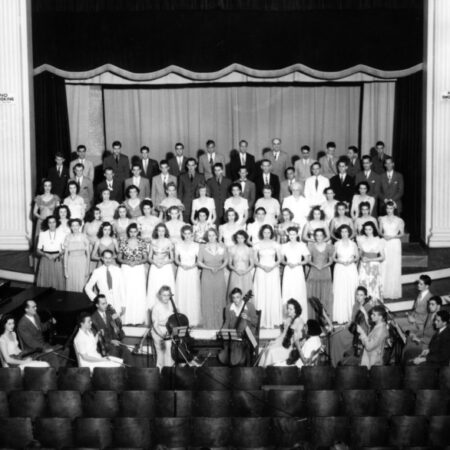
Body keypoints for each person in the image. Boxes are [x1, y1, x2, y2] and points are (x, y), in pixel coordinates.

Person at [330, 286, 378, 367]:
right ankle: (336, 362)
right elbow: (353, 320)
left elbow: (370, 324)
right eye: (357, 295)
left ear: (365, 296)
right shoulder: (355, 305)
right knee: (335, 334)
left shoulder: (369, 307)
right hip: (353, 329)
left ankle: (338, 364)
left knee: (337, 338)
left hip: (361, 332)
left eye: (361, 295)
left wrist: (365, 312)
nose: (358, 297)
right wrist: (344, 326)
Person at [17, 300, 69, 369]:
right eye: (33, 307)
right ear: (26, 309)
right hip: (33, 350)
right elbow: (31, 342)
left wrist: (49, 322)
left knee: (65, 350)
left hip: (43, 345)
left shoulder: (36, 316)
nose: (36, 308)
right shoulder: (22, 324)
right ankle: (55, 374)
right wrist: (45, 349)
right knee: (52, 356)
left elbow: (41, 328)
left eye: (36, 306)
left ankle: (58, 371)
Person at [218, 287, 258, 366]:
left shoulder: (250, 306)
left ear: (241, 296)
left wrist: (248, 318)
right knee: (228, 342)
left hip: (248, 334)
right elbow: (227, 322)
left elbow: (256, 322)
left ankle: (247, 359)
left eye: (238, 297)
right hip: (234, 333)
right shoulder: (228, 307)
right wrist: (223, 331)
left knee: (248, 342)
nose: (236, 300)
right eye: (233, 298)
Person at [258, 299, 305, 366]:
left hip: (292, 348)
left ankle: (267, 371)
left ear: (296, 310)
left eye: (290, 309)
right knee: (266, 349)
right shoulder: (289, 320)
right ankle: (262, 371)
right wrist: (274, 342)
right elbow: (283, 335)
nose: (288, 310)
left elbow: (296, 339)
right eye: (288, 308)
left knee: (271, 351)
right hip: (285, 344)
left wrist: (278, 344)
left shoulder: (298, 321)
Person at [117, 223, 148, 325]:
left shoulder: (142, 242)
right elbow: (119, 258)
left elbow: (145, 257)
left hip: (138, 269)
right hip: (126, 269)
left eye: (135, 231)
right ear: (128, 232)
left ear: (138, 232)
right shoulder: (123, 242)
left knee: (137, 292)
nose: (133, 233)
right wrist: (127, 262)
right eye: (131, 231)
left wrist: (137, 262)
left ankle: (138, 319)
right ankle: (126, 318)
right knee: (126, 291)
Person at [198, 228, 228, 328]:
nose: (211, 237)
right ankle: (208, 323)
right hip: (207, 273)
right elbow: (199, 262)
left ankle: (220, 322)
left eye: (213, 235)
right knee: (208, 297)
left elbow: (226, 260)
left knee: (219, 296)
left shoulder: (222, 246)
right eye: (209, 235)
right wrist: (209, 267)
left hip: (219, 273)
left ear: (217, 236)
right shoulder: (203, 247)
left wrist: (220, 267)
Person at [253, 225, 282, 328]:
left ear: (271, 233)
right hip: (261, 270)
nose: (266, 234)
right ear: (262, 233)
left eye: (268, 232)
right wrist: (262, 267)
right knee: (261, 292)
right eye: (265, 232)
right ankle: (261, 321)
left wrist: (272, 267)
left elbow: (279, 259)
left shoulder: (276, 245)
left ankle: (272, 320)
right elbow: (255, 260)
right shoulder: (257, 245)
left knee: (272, 292)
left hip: (273, 270)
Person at [91, 294, 132, 365]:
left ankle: (130, 372)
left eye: (106, 303)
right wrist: (110, 341)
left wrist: (116, 338)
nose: (106, 305)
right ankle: (115, 372)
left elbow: (115, 330)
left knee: (126, 351)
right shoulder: (93, 318)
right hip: (103, 345)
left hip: (114, 342)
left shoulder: (109, 313)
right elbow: (96, 336)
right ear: (97, 305)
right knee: (114, 351)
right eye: (103, 304)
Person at [174, 225, 201, 326]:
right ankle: (181, 318)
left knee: (192, 293)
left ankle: (193, 319)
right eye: (185, 234)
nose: (187, 236)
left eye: (189, 234)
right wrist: (181, 265)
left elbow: (199, 260)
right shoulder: (178, 245)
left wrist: (192, 266)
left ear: (192, 234)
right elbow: (176, 259)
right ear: (182, 234)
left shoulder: (196, 245)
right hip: (182, 270)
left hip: (192, 270)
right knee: (182, 292)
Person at [85, 249, 125, 315]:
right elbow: (87, 288)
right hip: (104, 302)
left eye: (109, 258)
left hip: (117, 301)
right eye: (106, 258)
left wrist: (123, 304)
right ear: (102, 258)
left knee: (116, 322)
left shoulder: (118, 270)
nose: (108, 260)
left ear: (112, 258)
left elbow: (122, 288)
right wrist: (97, 300)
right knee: (106, 322)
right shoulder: (97, 271)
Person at [332, 225, 359, 324]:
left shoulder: (353, 244)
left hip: (351, 268)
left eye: (346, 232)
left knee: (351, 289)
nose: (344, 234)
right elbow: (333, 258)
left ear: (349, 233)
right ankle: (341, 316)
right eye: (342, 232)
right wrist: (340, 261)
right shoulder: (336, 244)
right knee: (340, 290)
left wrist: (351, 261)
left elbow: (357, 257)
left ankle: (351, 315)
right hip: (340, 268)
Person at [403, 295, 442, 362]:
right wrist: (416, 335)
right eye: (429, 304)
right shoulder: (429, 315)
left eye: (432, 304)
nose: (430, 306)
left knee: (408, 349)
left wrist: (420, 340)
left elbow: (437, 339)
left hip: (428, 345)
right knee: (409, 339)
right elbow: (424, 330)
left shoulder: (440, 319)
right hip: (423, 340)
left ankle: (407, 364)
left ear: (438, 306)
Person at [379, 201, 405, 299]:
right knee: (384, 264)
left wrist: (393, 236)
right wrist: (384, 235)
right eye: (387, 208)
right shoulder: (382, 219)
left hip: (394, 243)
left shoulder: (399, 220)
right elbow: (379, 231)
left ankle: (393, 291)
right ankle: (383, 290)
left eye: (391, 208)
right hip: (385, 242)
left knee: (394, 265)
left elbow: (401, 233)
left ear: (394, 209)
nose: (389, 210)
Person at [281, 227, 310, 315]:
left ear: (297, 234)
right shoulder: (284, 246)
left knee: (299, 290)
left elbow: (307, 260)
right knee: (288, 290)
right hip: (288, 270)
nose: (292, 236)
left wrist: (297, 263)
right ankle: (287, 316)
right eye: (290, 234)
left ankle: (300, 315)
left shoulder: (302, 245)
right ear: (288, 234)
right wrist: (287, 263)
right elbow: (282, 260)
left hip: (298, 270)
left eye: (294, 234)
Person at [306, 228, 334, 319]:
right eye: (317, 235)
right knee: (313, 294)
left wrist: (324, 266)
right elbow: (308, 261)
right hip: (314, 272)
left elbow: (331, 261)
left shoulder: (329, 246)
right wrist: (315, 265)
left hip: (325, 272)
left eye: (320, 235)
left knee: (325, 295)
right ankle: (313, 318)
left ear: (324, 236)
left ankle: (325, 318)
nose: (319, 237)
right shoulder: (311, 246)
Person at [147, 223, 175, 309]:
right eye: (159, 230)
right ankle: (153, 310)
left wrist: (164, 263)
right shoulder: (153, 241)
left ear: (165, 231)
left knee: (165, 285)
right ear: (156, 231)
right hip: (155, 267)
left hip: (165, 267)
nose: (161, 232)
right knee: (155, 287)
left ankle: (168, 310)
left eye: (163, 230)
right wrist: (155, 263)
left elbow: (172, 258)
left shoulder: (169, 242)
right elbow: (149, 258)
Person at [357, 222, 385, 302]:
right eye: (366, 229)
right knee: (363, 284)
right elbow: (360, 254)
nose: (367, 231)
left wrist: (370, 260)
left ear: (373, 230)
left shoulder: (379, 240)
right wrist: (362, 258)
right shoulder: (361, 239)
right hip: (364, 266)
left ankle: (374, 305)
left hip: (374, 266)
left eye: (370, 229)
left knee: (374, 285)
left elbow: (382, 257)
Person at [36, 215, 65, 290]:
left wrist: (57, 254)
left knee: (57, 279)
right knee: (46, 279)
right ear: (47, 224)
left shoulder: (62, 234)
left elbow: (64, 249)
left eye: (53, 222)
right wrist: (46, 254)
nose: (52, 224)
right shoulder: (42, 234)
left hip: (57, 258)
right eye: (50, 223)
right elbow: (38, 250)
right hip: (45, 258)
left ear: (57, 223)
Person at [151, 286, 175, 369]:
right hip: (158, 331)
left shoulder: (172, 305)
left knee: (172, 347)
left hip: (169, 329)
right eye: (164, 295)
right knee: (165, 347)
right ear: (160, 295)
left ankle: (169, 368)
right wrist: (163, 335)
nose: (166, 297)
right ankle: (161, 369)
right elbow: (155, 325)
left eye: (168, 295)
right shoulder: (156, 307)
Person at [64, 218, 90, 292]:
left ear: (80, 226)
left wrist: (87, 268)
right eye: (73, 225)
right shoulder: (68, 237)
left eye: (77, 225)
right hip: (71, 262)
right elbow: (66, 254)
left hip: (82, 261)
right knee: (71, 283)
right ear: (70, 227)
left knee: (81, 283)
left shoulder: (84, 236)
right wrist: (65, 269)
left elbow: (88, 255)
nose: (75, 227)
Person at [227, 230, 254, 298]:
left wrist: (245, 271)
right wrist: (236, 270)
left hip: (246, 274)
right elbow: (229, 264)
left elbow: (252, 264)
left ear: (245, 238)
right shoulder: (231, 249)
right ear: (236, 238)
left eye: (241, 237)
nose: (240, 240)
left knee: (246, 293)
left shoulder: (249, 249)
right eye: (238, 238)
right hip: (235, 274)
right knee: (235, 292)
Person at [178, 158, 205, 223]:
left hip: (198, 204)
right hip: (185, 205)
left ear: (195, 166)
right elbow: (180, 192)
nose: (191, 167)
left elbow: (203, 191)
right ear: (187, 166)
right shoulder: (182, 177)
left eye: (192, 165)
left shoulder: (201, 176)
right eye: (189, 165)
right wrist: (180, 204)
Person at [84, 207, 102, 273]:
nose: (99, 215)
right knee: (90, 268)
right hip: (90, 247)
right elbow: (84, 236)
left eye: (99, 213)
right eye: (96, 213)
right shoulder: (87, 224)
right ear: (92, 214)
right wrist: (88, 243)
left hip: (99, 248)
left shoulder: (101, 224)